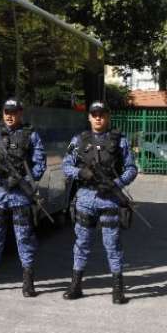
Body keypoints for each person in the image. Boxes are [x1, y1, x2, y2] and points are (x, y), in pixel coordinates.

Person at [62, 101, 138, 305]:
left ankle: (117, 289)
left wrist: (116, 183)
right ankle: (76, 285)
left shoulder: (119, 140)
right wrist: (81, 172)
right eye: (94, 114)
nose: (98, 118)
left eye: (102, 114)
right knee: (82, 243)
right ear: (89, 117)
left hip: (110, 200)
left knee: (112, 245)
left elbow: (131, 168)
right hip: (86, 199)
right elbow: (66, 166)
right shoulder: (79, 140)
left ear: (108, 116)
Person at [0, 98, 47, 297]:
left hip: (20, 196)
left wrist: (24, 179)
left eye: (13, 112)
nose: (9, 115)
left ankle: (28, 281)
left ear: (21, 113)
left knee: (24, 238)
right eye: (6, 111)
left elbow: (40, 164)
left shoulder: (31, 136)